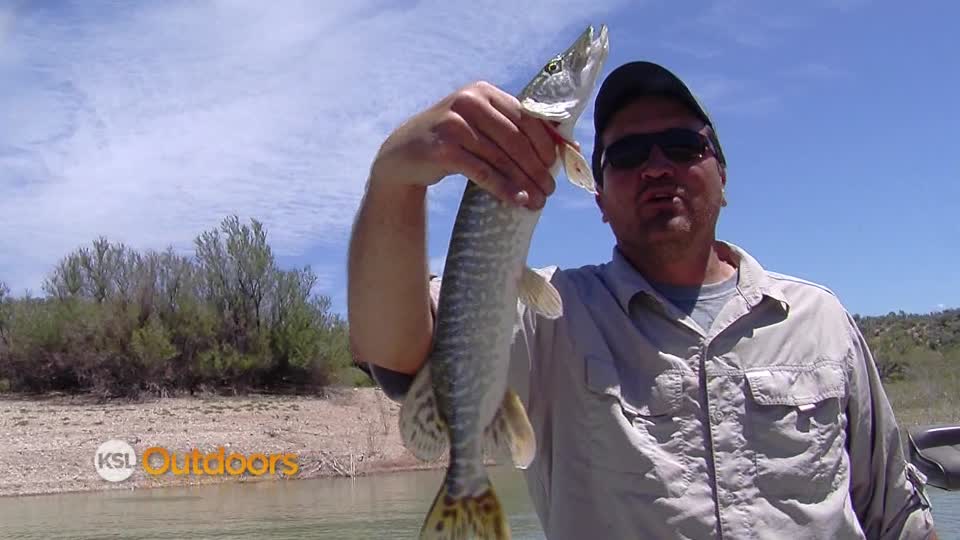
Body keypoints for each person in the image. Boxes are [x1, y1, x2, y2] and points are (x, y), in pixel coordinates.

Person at [347, 60, 939, 539]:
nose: (657, 167)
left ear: (723, 176)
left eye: (682, 146)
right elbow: (396, 351)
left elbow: (896, 516)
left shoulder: (822, 321)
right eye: (627, 155)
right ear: (596, 193)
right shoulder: (552, 319)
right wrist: (395, 179)